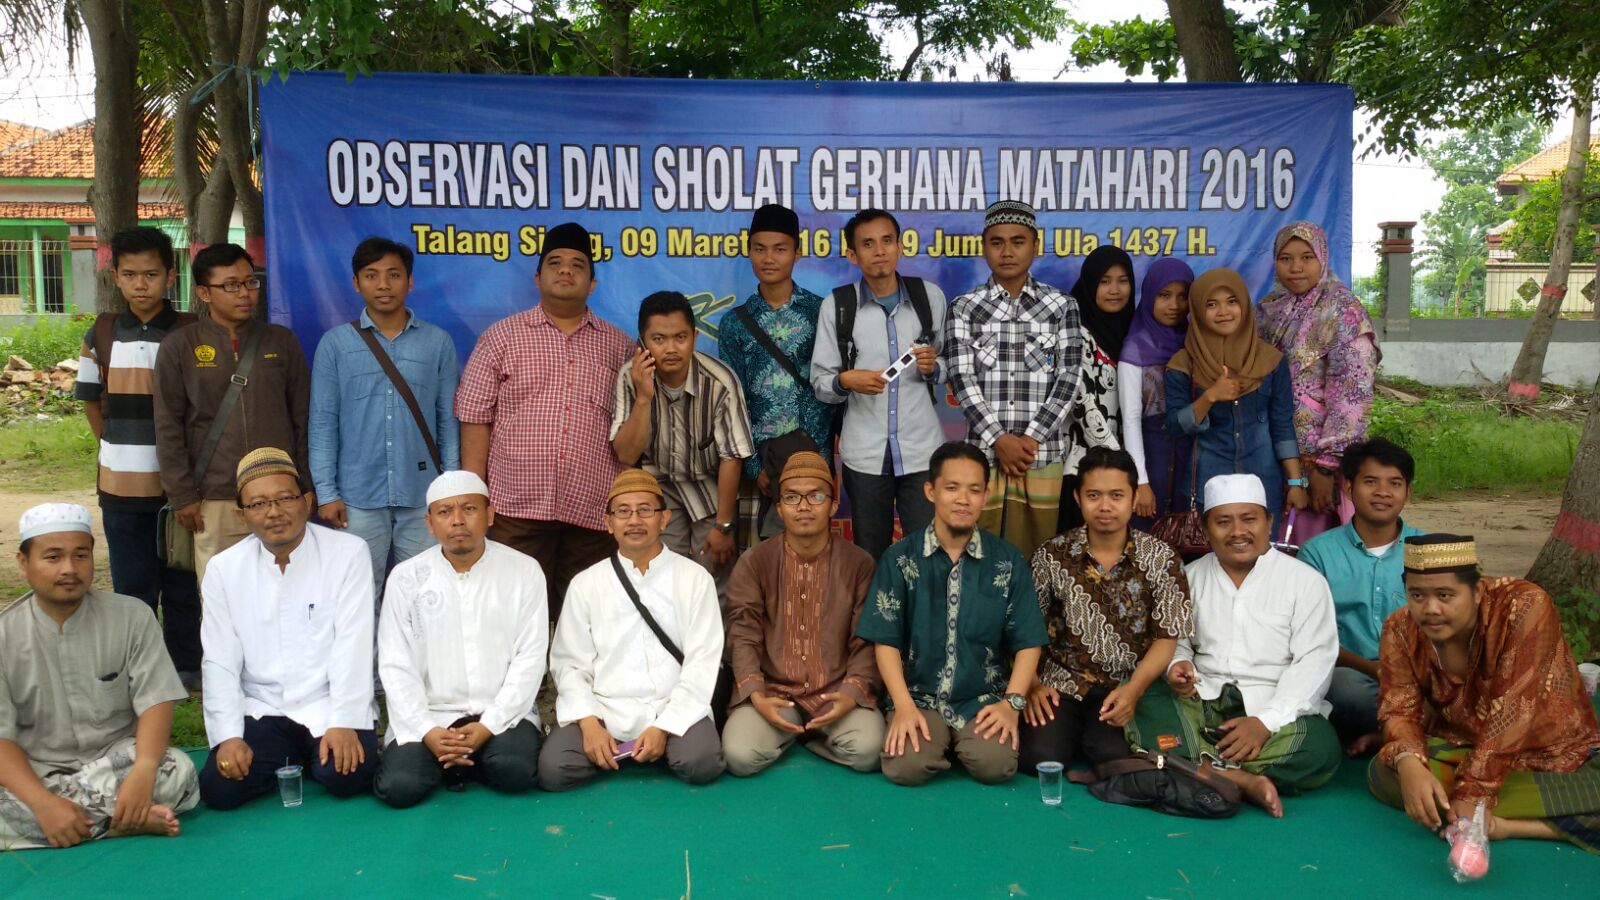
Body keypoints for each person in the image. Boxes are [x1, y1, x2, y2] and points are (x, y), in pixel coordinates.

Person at [1368, 535, 1600, 853]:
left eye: (1445, 595)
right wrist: (1409, 763)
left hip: (1555, 757)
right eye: (1417, 595)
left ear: (1477, 591)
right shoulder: (1399, 628)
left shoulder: (1524, 605)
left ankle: (1503, 824)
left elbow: (1514, 712)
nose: (1430, 608)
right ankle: (1483, 811)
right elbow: (1398, 709)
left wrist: (1474, 793)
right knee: (1384, 772)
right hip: (1465, 748)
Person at [1127, 474, 1341, 818]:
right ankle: (1238, 777)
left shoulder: (1306, 582)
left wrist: (1264, 723)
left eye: (1249, 519)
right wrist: (1179, 667)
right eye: (1223, 522)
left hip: (1271, 706)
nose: (1238, 532)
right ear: (1205, 528)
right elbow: (1176, 644)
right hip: (1200, 701)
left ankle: (1193, 765)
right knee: (1137, 695)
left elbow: (1314, 663)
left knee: (1319, 748)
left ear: (1269, 521)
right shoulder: (1189, 578)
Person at [455, 222, 631, 620]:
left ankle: (573, 666)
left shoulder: (618, 345)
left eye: (577, 265)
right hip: (516, 510)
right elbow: (475, 417)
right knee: (512, 615)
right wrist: (474, 496)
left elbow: (632, 427)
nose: (566, 270)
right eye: (555, 263)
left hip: (592, 510)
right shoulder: (501, 338)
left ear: (593, 284)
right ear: (537, 278)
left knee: (585, 619)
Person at [0, 503, 198, 849]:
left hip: (115, 762)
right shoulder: (4, 635)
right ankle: (118, 823)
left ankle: (71, 823)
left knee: (176, 771)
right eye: (53, 557)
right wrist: (42, 803)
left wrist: (144, 770)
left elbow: (155, 700)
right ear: (23, 563)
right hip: (36, 772)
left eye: (80, 556)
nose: (69, 569)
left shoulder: (132, 617)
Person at [855, 441, 1049, 786]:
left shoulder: (1007, 560)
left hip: (981, 698)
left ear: (986, 495)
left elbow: (1028, 641)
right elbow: (885, 641)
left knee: (995, 766)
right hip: (919, 696)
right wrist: (903, 706)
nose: (963, 499)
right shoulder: (900, 558)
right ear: (931, 491)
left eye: (974, 490)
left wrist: (1011, 705)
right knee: (906, 768)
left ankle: (961, 742)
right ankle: (938, 739)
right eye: (952, 488)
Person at [197, 448, 379, 809]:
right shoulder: (223, 569)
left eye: (285, 498)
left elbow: (354, 644)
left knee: (348, 776)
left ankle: (306, 757)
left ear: (307, 502)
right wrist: (228, 736)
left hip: (327, 704)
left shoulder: (348, 553)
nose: (274, 512)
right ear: (241, 515)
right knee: (220, 789)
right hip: (262, 708)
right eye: (259, 504)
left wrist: (344, 720)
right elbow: (219, 659)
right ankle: (297, 757)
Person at [538, 469, 725, 791]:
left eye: (645, 510)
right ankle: (628, 750)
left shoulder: (696, 580)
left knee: (701, 763)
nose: (634, 520)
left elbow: (703, 662)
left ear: (664, 518)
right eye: (623, 512)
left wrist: (664, 727)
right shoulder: (586, 583)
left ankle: (653, 746)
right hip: (605, 708)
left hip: (672, 705)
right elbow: (569, 663)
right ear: (608, 523)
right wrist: (589, 723)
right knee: (555, 769)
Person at [372, 471, 547, 808]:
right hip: (431, 715)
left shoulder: (524, 571)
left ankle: (458, 761)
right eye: (444, 512)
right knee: (398, 787)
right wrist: (426, 730)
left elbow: (531, 657)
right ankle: (458, 758)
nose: (457, 520)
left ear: (490, 514)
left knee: (515, 771)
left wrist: (488, 725)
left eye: (469, 509)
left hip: (500, 713)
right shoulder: (406, 578)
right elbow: (395, 664)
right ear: (429, 523)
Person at [75, 226, 201, 691]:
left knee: (183, 583)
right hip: (121, 488)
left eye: (151, 274)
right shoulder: (103, 332)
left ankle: (187, 666)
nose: (141, 284)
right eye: (130, 275)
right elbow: (90, 400)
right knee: (133, 587)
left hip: (180, 488)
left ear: (170, 275)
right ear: (116, 277)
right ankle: (142, 671)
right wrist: (113, 447)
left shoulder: (192, 331)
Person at [1021, 448, 1193, 775]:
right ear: (1077, 497)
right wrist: (1032, 685)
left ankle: (1094, 739)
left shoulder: (1162, 558)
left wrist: (1134, 690)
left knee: (1117, 758)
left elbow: (1167, 636)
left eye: (1116, 495)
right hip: (1062, 682)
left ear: (1134, 498)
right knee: (1041, 759)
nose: (1105, 506)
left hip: (1126, 683)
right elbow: (1025, 629)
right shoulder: (1051, 555)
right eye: (1093, 495)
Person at [310, 237, 460, 603]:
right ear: (355, 282)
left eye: (394, 275)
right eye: (371, 275)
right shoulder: (335, 344)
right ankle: (369, 648)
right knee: (357, 596)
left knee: (426, 594)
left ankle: (415, 647)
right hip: (357, 496)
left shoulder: (437, 342)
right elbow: (323, 423)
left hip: (423, 494)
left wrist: (452, 487)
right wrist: (327, 493)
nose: (383, 284)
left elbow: (448, 420)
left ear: (410, 282)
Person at [153, 242, 312, 587]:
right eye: (231, 285)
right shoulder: (179, 346)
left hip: (280, 495)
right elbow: (168, 426)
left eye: (250, 282)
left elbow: (302, 419)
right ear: (204, 293)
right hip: (215, 497)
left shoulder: (280, 341)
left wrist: (305, 484)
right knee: (222, 594)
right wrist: (182, 495)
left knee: (287, 589)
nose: (244, 293)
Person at [723, 451, 884, 776]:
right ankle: (799, 731)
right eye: (792, 497)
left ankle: (803, 737)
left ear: (833, 505)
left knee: (868, 751)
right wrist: (756, 694)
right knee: (739, 755)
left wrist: (851, 693)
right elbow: (743, 636)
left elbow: (866, 641)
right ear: (779, 508)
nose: (804, 506)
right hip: (774, 693)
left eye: (816, 496)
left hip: (835, 692)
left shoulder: (859, 564)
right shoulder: (755, 562)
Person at [947, 200, 1085, 560]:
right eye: (997, 242)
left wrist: (1029, 440)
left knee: (1038, 558)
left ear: (1035, 246)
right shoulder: (965, 307)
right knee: (977, 556)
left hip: (1040, 455)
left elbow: (1068, 379)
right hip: (983, 454)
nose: (1007, 252)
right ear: (984, 247)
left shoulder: (1061, 306)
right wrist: (999, 440)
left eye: (1018, 241)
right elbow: (961, 378)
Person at [811, 208, 947, 561]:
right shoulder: (838, 306)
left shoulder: (929, 297)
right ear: (852, 254)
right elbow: (821, 383)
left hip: (921, 450)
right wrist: (845, 380)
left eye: (887, 241)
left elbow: (950, 365)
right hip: (865, 455)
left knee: (927, 555)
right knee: (869, 557)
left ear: (901, 246)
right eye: (868, 244)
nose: (880, 251)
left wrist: (934, 367)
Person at [611, 290, 753, 596]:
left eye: (680, 337)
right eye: (658, 339)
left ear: (695, 337)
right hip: (658, 492)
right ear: (642, 342)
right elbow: (626, 454)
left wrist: (723, 526)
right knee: (659, 584)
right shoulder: (629, 378)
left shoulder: (720, 381)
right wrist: (644, 398)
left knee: (711, 586)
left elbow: (732, 457)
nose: (671, 348)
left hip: (710, 492)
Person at [1297, 438, 1425, 754]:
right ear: (1349, 488)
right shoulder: (1317, 553)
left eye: (1395, 483)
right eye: (1370, 482)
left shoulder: (1429, 548)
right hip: (1355, 674)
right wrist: (1376, 670)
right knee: (1343, 689)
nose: (1383, 492)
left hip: (1422, 672)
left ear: (1408, 492)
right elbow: (1311, 638)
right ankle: (1419, 730)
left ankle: (1391, 733)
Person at [1256, 222, 1379, 543]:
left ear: (1322, 257)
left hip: (1320, 462)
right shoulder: (1269, 310)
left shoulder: (1342, 312)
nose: (1295, 267)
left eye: (1306, 257)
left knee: (1316, 546)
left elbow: (1352, 395)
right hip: (1274, 452)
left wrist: (1327, 466)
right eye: (1285, 258)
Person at [716, 203, 834, 539]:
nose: (769, 258)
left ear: (798, 252)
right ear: (749, 251)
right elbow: (732, 402)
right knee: (760, 558)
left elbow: (832, 391)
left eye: (780, 249)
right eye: (760, 249)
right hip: (759, 467)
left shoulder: (822, 312)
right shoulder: (734, 323)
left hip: (813, 461)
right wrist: (755, 466)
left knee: (811, 555)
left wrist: (819, 461)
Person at [1163, 268, 1307, 537]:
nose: (1223, 312)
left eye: (1231, 301)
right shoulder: (1183, 364)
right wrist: (1209, 396)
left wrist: (1295, 482)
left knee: (1262, 560)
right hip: (1207, 492)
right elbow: (1173, 426)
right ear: (1197, 311)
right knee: (1210, 562)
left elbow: (1282, 425)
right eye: (1211, 304)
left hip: (1263, 488)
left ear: (1243, 304)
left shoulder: (1271, 360)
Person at [1059, 245, 1134, 531]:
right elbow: (1079, 399)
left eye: (1122, 280)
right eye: (1104, 281)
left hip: (1125, 470)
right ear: (1090, 285)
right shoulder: (1076, 333)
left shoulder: (1134, 331)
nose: (1115, 290)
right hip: (1082, 466)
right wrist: (1115, 457)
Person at [1116, 257, 1195, 528]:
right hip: (1153, 459)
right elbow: (1131, 419)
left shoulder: (1195, 342)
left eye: (1183, 296)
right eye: (1164, 295)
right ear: (1149, 295)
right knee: (1148, 536)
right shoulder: (1135, 348)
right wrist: (1141, 481)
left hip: (1190, 459)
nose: (1174, 305)